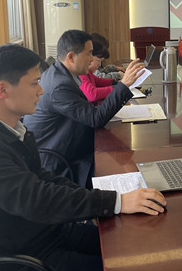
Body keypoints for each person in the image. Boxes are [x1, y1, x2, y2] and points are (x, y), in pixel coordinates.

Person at [0, 44, 166, 271]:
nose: (41, 91)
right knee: (130, 269)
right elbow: (37, 199)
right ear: (3, 90)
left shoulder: (8, 129)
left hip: (45, 233)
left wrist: (106, 203)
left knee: (138, 247)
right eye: (34, 83)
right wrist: (115, 202)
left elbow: (41, 177)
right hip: (20, 259)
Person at [23, 30, 145, 188]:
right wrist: (123, 85)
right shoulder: (60, 85)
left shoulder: (63, 73)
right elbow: (96, 119)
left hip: (69, 144)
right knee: (126, 172)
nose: (92, 59)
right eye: (88, 54)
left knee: (123, 156)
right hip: (59, 161)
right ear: (71, 57)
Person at [80, 40, 119, 104]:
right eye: (98, 61)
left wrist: (117, 83)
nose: (100, 65)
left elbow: (99, 81)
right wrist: (118, 88)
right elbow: (92, 94)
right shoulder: (81, 73)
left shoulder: (88, 72)